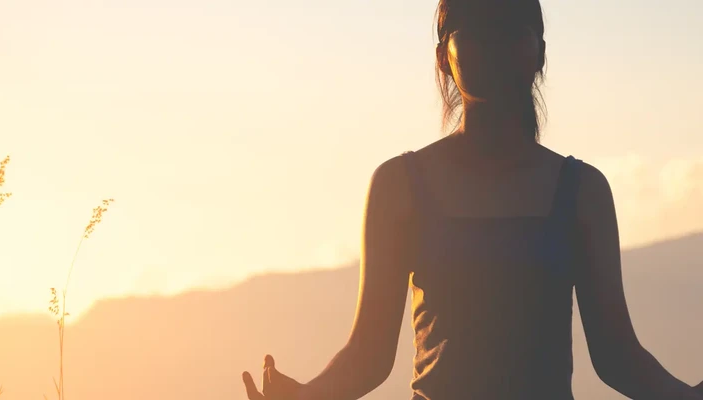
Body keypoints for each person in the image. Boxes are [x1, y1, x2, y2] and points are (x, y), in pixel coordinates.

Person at [241, 0, 703, 398]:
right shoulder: (398, 186)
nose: (494, 44)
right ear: (443, 57)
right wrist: (305, 395)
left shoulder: (584, 191)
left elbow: (618, 355)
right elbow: (369, 355)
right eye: (476, 29)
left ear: (540, 53)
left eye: (510, 27)